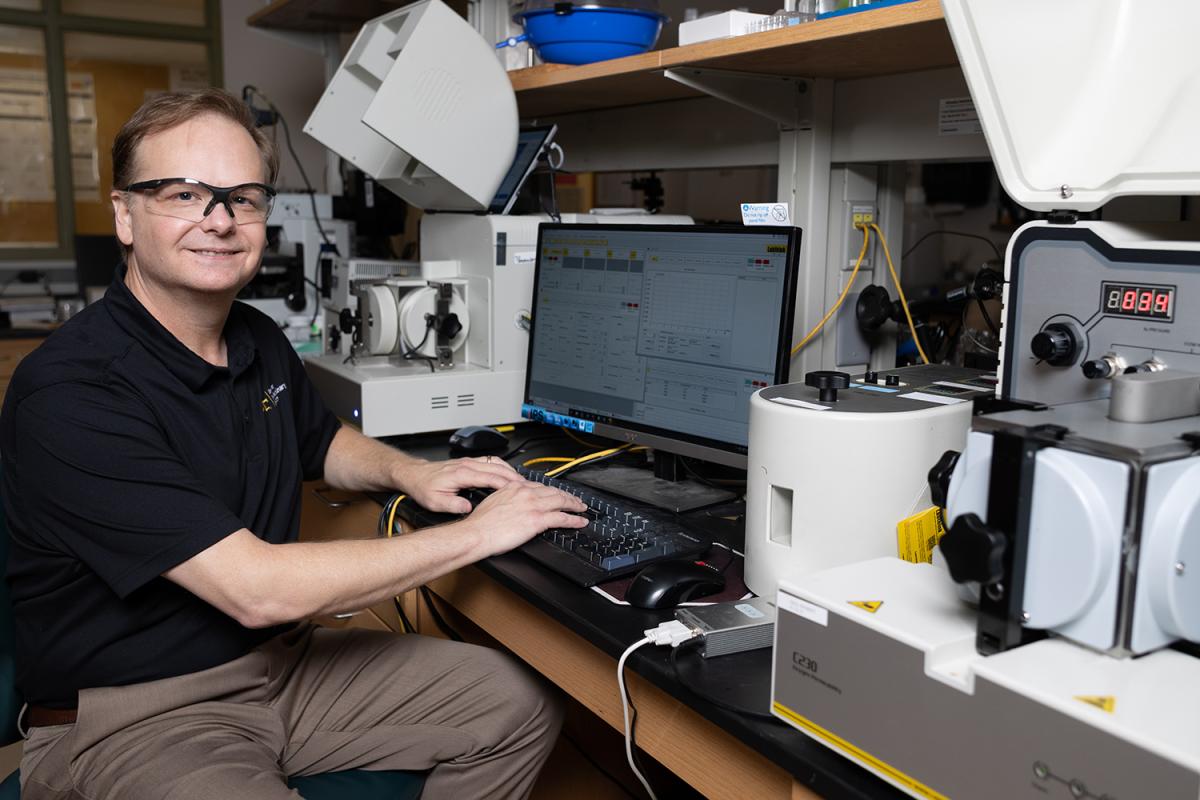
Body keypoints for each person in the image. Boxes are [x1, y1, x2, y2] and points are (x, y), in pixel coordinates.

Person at [0, 88, 589, 800]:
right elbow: (254, 589)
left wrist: (411, 473)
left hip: (279, 668)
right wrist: (476, 536)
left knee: (513, 703)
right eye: (184, 194)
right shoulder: (72, 391)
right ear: (125, 214)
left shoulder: (257, 339)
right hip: (134, 714)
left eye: (242, 197)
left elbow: (320, 439)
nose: (219, 221)